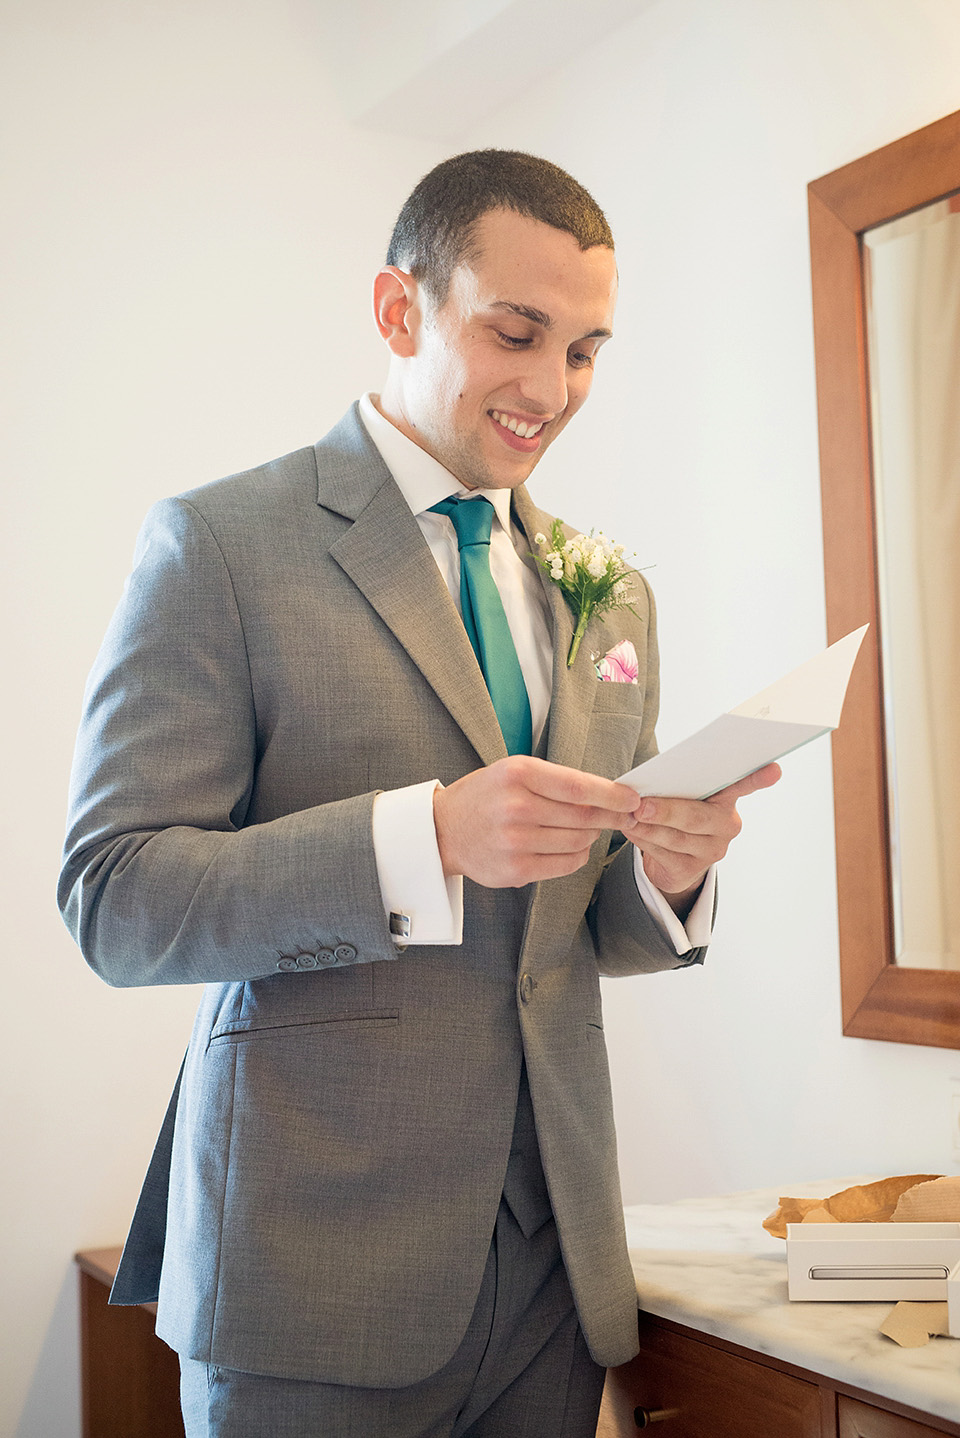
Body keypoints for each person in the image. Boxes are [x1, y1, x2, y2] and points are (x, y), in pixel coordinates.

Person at [59, 150, 778, 1437]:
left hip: (555, 1271)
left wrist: (670, 871)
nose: (554, 389)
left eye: (587, 349)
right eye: (518, 332)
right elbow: (115, 898)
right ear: (400, 311)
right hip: (309, 1274)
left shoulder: (606, 590)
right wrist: (427, 837)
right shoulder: (220, 543)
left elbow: (569, 934)